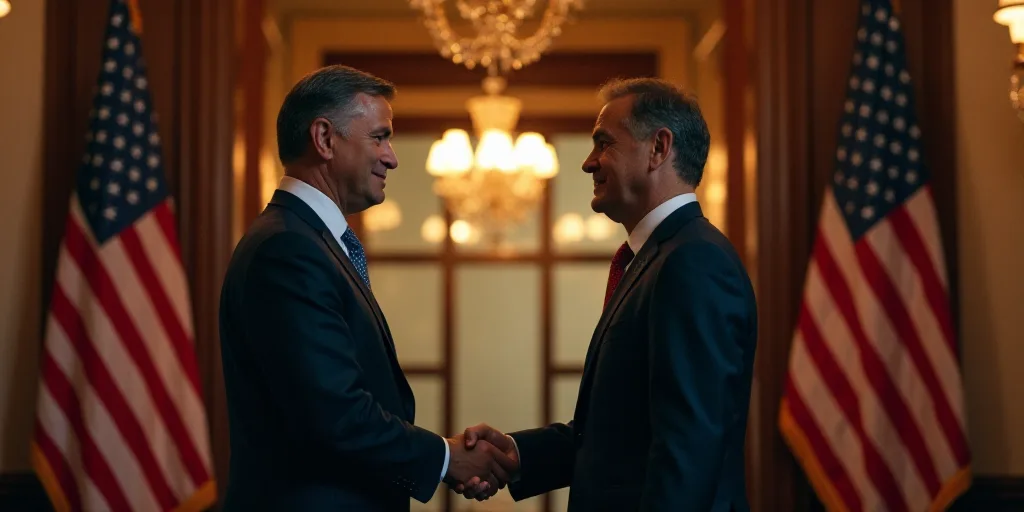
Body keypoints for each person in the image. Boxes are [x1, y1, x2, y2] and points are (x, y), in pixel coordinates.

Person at [218, 64, 514, 511]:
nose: (392, 156)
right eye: (379, 137)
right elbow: (332, 414)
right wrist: (445, 457)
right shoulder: (287, 249)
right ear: (324, 139)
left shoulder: (307, 240)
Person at [456, 77, 758, 511]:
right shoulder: (657, 258)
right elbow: (618, 433)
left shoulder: (693, 262)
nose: (588, 163)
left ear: (658, 148)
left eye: (603, 144)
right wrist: (515, 454)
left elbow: (687, 454)